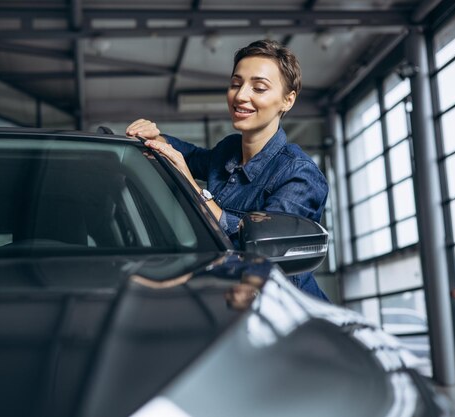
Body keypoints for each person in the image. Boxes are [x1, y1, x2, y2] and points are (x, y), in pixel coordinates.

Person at [126, 39, 329, 301]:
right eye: (236, 84)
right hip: (224, 300)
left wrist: (193, 189)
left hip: (287, 317)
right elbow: (192, 156)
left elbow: (264, 255)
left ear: (287, 100)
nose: (241, 95)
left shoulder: (299, 174)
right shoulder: (228, 150)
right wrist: (157, 138)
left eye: (258, 87)